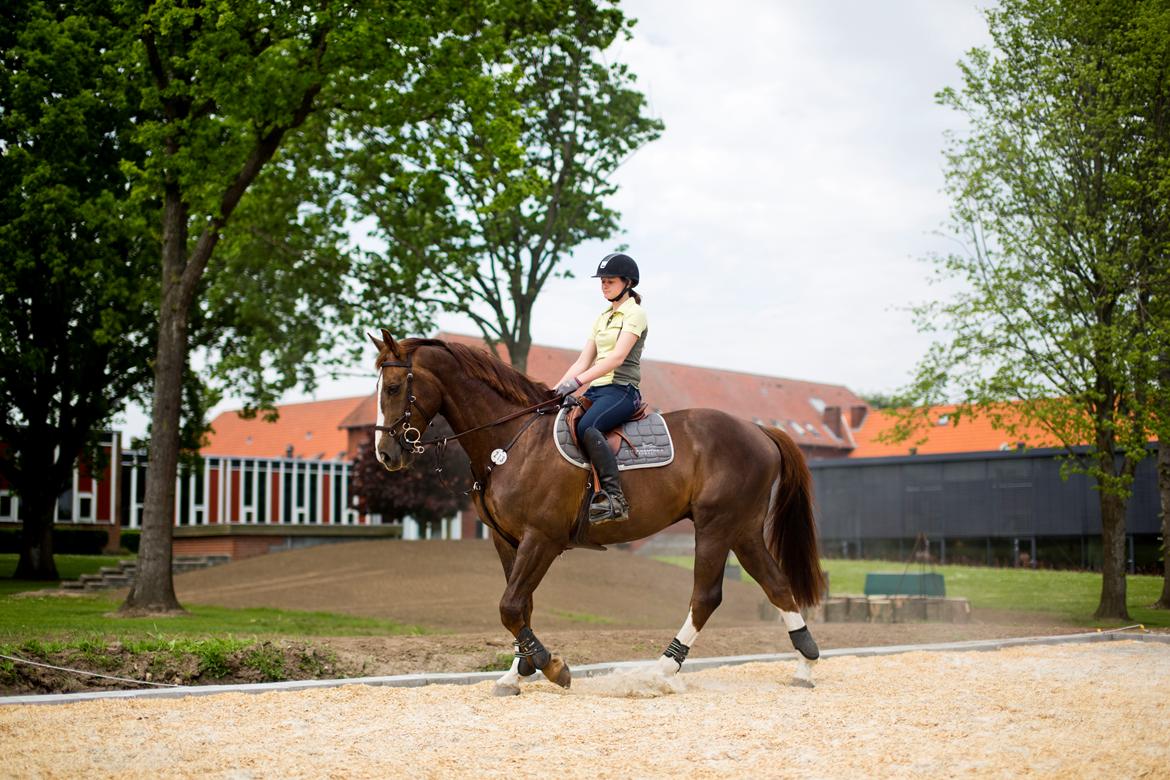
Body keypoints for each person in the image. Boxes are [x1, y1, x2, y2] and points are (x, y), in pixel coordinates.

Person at [553, 252, 647, 525]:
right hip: (597, 391)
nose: (604, 286)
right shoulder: (602, 317)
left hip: (622, 390)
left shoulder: (635, 314)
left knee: (587, 427)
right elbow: (583, 360)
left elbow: (616, 358)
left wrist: (578, 382)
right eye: (602, 281)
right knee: (560, 422)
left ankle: (614, 497)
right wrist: (556, 390)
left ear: (627, 283)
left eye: (610, 281)